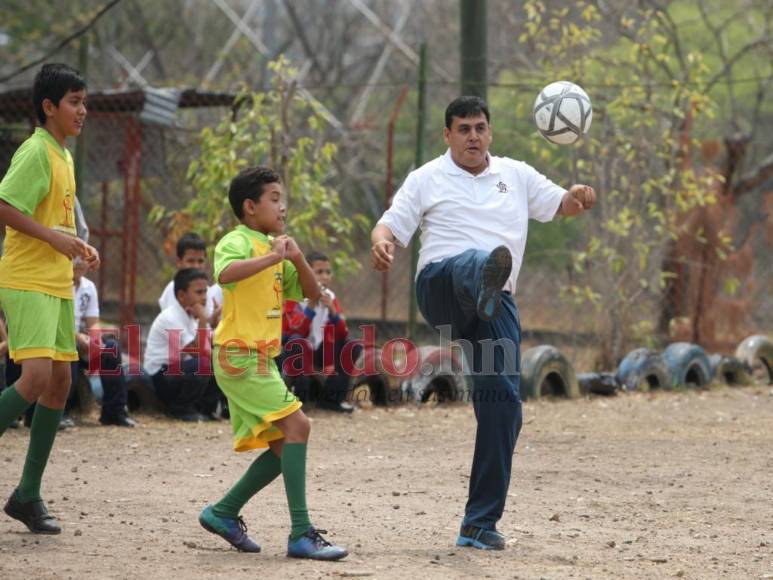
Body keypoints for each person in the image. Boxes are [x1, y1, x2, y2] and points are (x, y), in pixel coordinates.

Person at [370, 96, 596, 550]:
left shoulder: (516, 174)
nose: (473, 136)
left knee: (504, 405)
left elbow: (563, 206)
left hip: (495, 307)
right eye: (463, 129)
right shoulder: (426, 178)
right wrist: (382, 245)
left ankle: (478, 523)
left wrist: (579, 196)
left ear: (490, 133)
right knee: (475, 260)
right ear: (447, 136)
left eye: (479, 128)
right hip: (443, 288)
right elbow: (388, 226)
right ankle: (484, 274)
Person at [198, 166, 347, 560]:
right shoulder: (238, 240)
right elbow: (225, 274)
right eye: (275, 199)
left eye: (283, 199)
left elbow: (314, 296)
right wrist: (270, 258)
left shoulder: (276, 250)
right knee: (299, 426)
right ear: (250, 207)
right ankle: (301, 533)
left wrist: (296, 259)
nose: (283, 208)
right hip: (237, 355)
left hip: (260, 359)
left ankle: (223, 512)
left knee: (285, 446)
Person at [0, 63, 100, 535]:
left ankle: (26, 495)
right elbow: (4, 206)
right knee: (36, 378)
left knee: (61, 383)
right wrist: (55, 240)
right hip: (26, 279)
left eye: (84, 102)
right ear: (48, 107)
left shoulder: (64, 155)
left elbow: (53, 225)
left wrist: (77, 247)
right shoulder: (36, 151)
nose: (83, 111)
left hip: (58, 281)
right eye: (74, 102)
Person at [144, 268, 222, 422]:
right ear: (181, 295)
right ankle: (180, 409)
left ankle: (205, 410)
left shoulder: (191, 316)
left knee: (220, 361)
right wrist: (204, 320)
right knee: (204, 364)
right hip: (160, 376)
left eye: (205, 292)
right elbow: (199, 353)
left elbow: (210, 346)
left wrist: (213, 325)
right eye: (198, 292)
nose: (204, 298)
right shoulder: (171, 317)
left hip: (178, 371)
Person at [281, 250, 355, 413]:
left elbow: (343, 333)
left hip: (318, 350)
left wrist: (333, 312)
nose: (325, 277)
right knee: (297, 341)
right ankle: (301, 399)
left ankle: (332, 399)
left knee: (350, 346)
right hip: (293, 351)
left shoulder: (330, 296)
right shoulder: (293, 295)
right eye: (319, 272)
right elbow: (295, 330)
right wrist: (312, 305)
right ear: (306, 273)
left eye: (328, 272)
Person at [72, 258, 136, 427]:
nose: (78, 262)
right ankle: (60, 412)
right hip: (60, 340)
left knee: (111, 348)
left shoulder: (88, 287)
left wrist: (95, 341)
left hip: (80, 342)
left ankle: (114, 412)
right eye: (74, 257)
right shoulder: (56, 284)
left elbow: (93, 322)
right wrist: (76, 337)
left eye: (83, 258)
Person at [158, 232, 222, 329]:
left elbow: (207, 331)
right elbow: (178, 336)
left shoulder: (207, 291)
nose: (196, 266)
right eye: (191, 261)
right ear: (179, 262)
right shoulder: (174, 289)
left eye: (200, 261)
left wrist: (214, 323)